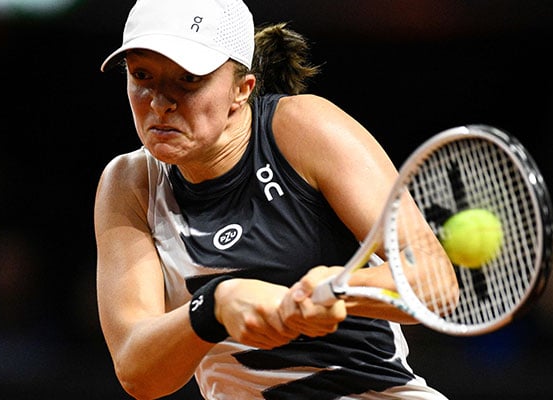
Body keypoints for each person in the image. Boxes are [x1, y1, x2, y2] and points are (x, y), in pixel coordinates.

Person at [94, 0, 457, 399]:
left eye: (188, 79)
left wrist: (340, 288)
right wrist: (215, 305)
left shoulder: (303, 127)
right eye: (142, 75)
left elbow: (435, 283)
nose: (159, 101)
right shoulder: (129, 183)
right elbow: (137, 371)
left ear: (241, 89)